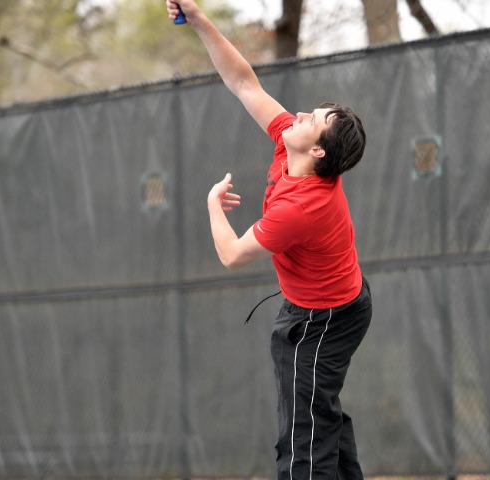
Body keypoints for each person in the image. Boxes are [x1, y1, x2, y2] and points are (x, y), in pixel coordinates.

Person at [166, 2, 372, 478]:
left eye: (310, 119)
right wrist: (197, 18)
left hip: (324, 320)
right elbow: (244, 82)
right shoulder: (288, 143)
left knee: (303, 437)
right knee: (319, 418)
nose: (297, 114)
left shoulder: (302, 207)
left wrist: (212, 205)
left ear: (316, 149)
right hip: (318, 308)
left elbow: (232, 254)